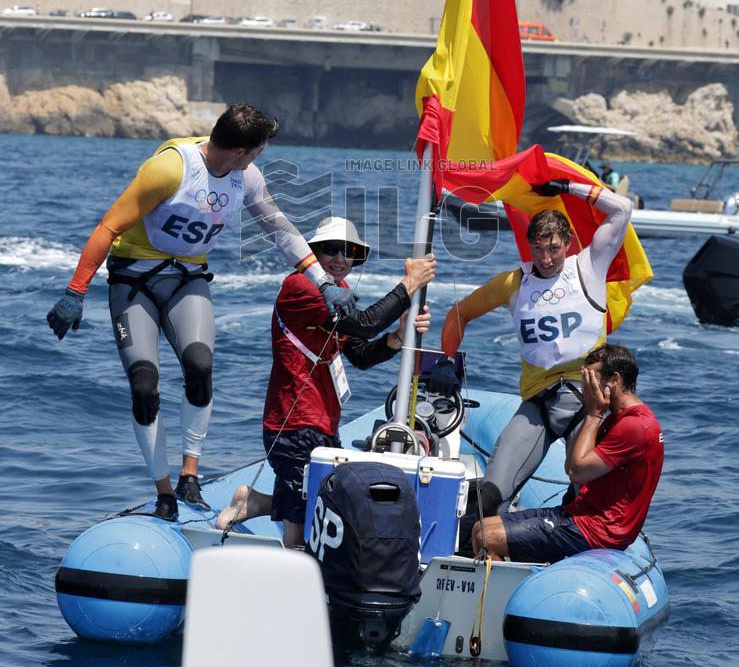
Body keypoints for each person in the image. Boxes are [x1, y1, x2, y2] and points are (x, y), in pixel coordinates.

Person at [46, 105, 356, 521]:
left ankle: (190, 474)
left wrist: (321, 281)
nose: (260, 158)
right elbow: (108, 228)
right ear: (243, 149)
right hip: (132, 279)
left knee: (199, 365)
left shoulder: (246, 177)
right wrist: (75, 291)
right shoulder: (170, 169)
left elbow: (280, 229)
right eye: (260, 150)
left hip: (187, 277)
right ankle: (163, 492)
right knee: (144, 385)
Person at [215, 216, 436, 545]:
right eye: (329, 250)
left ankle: (255, 502)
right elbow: (363, 323)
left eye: (348, 251)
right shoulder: (301, 286)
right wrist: (408, 285)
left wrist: (397, 336)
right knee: (304, 526)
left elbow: (360, 353)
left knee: (325, 501)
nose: (340, 258)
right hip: (293, 425)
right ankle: (293, 574)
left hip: (323, 423)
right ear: (312, 254)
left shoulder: (341, 292)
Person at [432, 177, 633, 518]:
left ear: (567, 243)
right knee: (491, 495)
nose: (547, 258)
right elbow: (459, 313)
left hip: (590, 405)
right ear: (529, 246)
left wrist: (569, 187)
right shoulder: (513, 283)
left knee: (588, 497)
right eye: (538, 249)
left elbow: (622, 208)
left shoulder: (589, 266)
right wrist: (448, 363)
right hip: (539, 404)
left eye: (554, 248)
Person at [471, 343, 664, 562]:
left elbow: (575, 470)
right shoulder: (618, 418)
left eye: (591, 379)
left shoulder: (634, 425)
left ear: (615, 380)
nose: (585, 388)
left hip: (596, 530)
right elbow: (577, 464)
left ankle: (498, 594)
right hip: (579, 515)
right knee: (482, 528)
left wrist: (593, 414)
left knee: (487, 538)